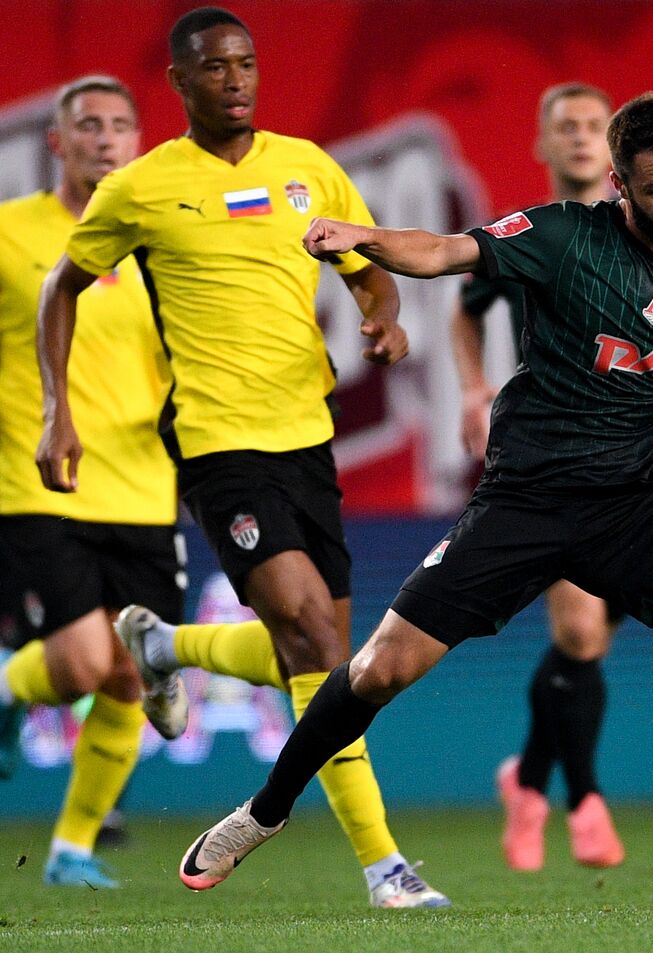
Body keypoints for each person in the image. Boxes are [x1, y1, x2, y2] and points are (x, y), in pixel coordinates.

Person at [175, 91, 653, 894]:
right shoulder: (565, 236)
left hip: (629, 510)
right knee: (381, 667)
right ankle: (265, 809)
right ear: (622, 187)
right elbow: (443, 251)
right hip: (524, 504)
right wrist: (366, 240)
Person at [34, 8, 447, 909]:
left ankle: (164, 643)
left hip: (308, 436)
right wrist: (57, 412)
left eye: (247, 64)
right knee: (314, 634)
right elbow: (61, 288)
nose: (237, 80)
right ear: (179, 83)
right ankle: (385, 867)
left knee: (326, 663)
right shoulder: (142, 188)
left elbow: (367, 261)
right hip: (220, 444)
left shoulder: (309, 167)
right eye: (215, 68)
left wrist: (382, 316)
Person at [0, 75, 173, 889]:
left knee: (129, 674)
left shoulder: (155, 247)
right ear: (58, 143)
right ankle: (11, 686)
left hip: (144, 485)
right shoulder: (10, 232)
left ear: (136, 142)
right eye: (88, 125)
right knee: (77, 665)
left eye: (119, 125)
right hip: (39, 479)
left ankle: (71, 849)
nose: (106, 138)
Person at [453, 82, 624, 871]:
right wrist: (471, 389)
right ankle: (585, 800)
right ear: (543, 146)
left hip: (636, 452)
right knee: (578, 631)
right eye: (569, 127)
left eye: (597, 126)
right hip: (557, 451)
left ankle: (525, 779)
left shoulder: (646, 229)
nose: (584, 138)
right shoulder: (529, 231)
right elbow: (467, 305)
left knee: (589, 641)